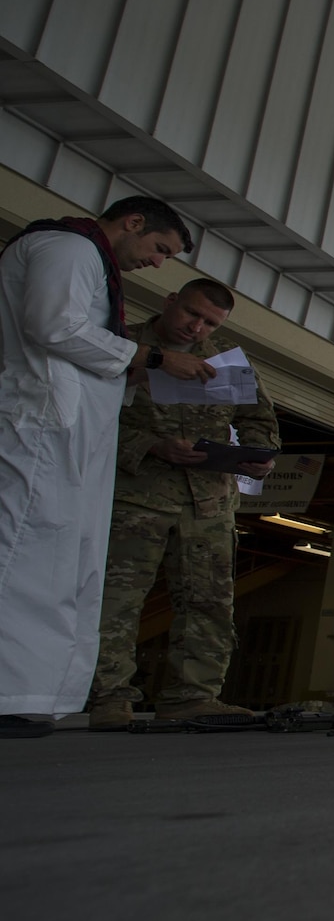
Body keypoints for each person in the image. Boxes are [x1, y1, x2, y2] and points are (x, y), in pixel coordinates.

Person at [0, 196, 211, 738]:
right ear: (133, 222)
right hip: (41, 429)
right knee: (22, 553)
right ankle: (9, 692)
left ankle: (32, 693)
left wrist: (130, 376)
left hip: (71, 435)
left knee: (59, 562)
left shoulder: (90, 260)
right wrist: (152, 358)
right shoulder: (68, 247)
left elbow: (74, 344)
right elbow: (52, 325)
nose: (157, 262)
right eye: (158, 248)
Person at [88, 280, 280, 728]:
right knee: (116, 600)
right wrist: (152, 446)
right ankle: (109, 698)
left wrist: (258, 454)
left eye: (210, 323)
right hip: (136, 497)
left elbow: (258, 416)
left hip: (209, 504)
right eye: (192, 314)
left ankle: (192, 696)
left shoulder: (226, 356)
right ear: (170, 300)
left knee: (209, 602)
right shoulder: (125, 346)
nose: (197, 328)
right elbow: (87, 419)